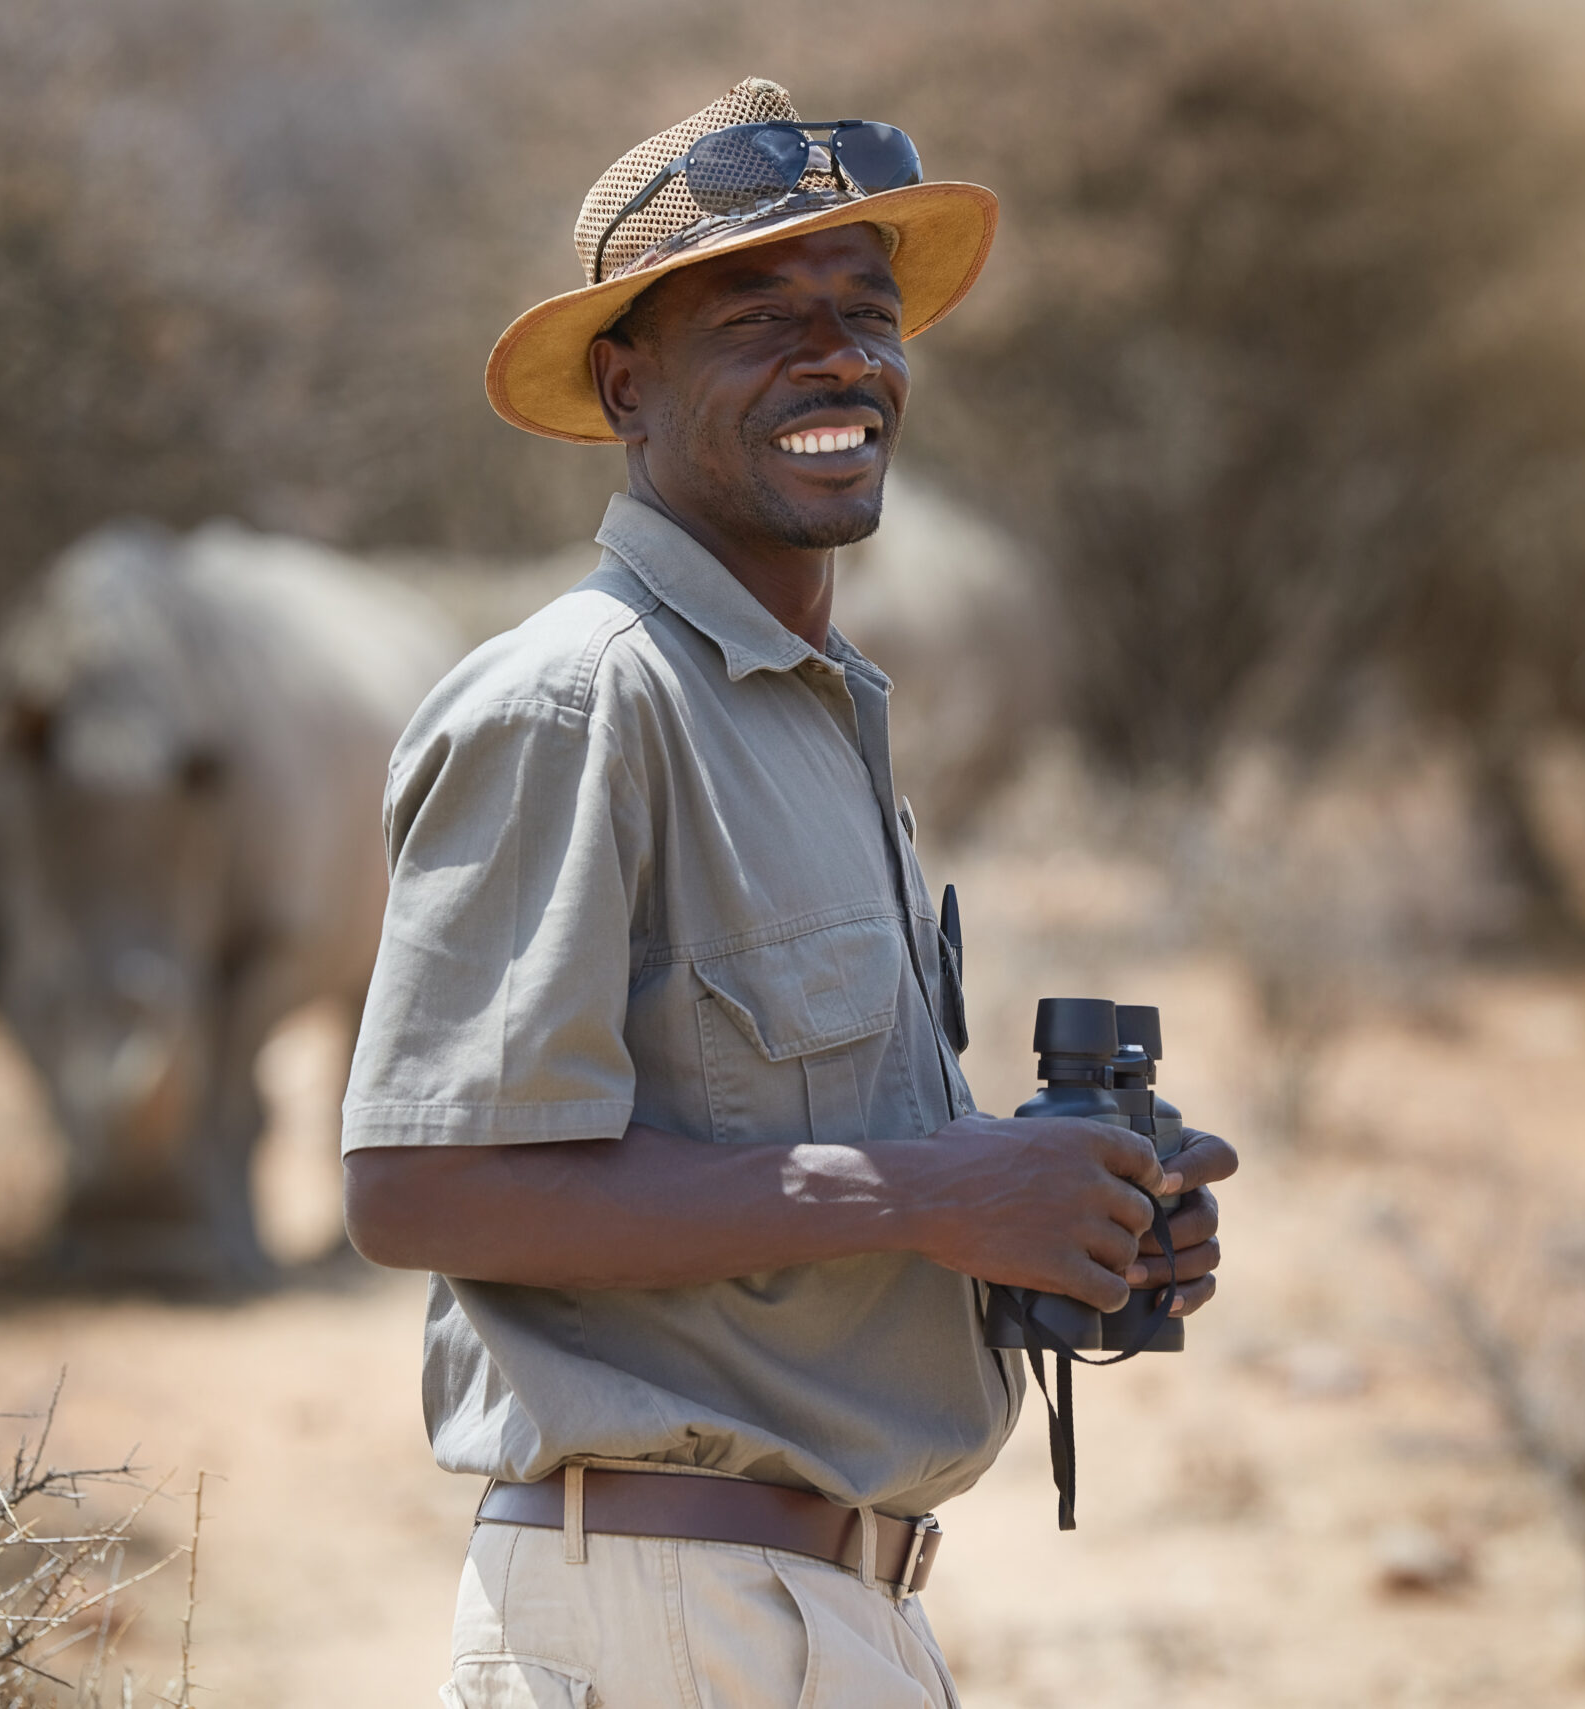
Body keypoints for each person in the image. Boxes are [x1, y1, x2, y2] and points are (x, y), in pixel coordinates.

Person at [341, 77, 1237, 1707]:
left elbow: (789, 1177)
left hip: (831, 1606)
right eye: (760, 318)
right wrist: (930, 1192)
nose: (838, 357)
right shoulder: (577, 700)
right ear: (629, 384)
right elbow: (425, 1186)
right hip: (670, 1618)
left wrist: (1072, 1221)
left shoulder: (816, 710)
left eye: (864, 313)